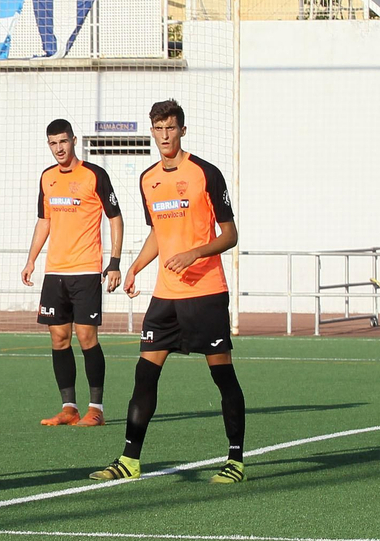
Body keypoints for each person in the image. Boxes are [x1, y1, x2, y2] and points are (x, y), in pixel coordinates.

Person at [90, 100, 247, 485]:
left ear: (182, 130)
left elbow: (230, 235)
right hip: (166, 296)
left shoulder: (206, 174)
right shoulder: (148, 179)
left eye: (171, 128)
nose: (164, 136)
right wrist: (133, 267)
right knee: (144, 374)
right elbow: (159, 233)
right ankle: (129, 459)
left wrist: (194, 253)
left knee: (222, 376)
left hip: (206, 293)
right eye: (158, 129)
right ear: (152, 132)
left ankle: (236, 461)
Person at [20, 120, 124, 427]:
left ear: (74, 140)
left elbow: (115, 218)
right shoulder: (47, 178)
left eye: (63, 141)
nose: (59, 148)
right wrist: (31, 261)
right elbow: (44, 221)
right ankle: (69, 408)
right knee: (59, 338)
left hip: (87, 270)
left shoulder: (94, 175)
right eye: (53, 143)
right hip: (55, 273)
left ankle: (96, 409)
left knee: (86, 336)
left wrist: (115, 262)